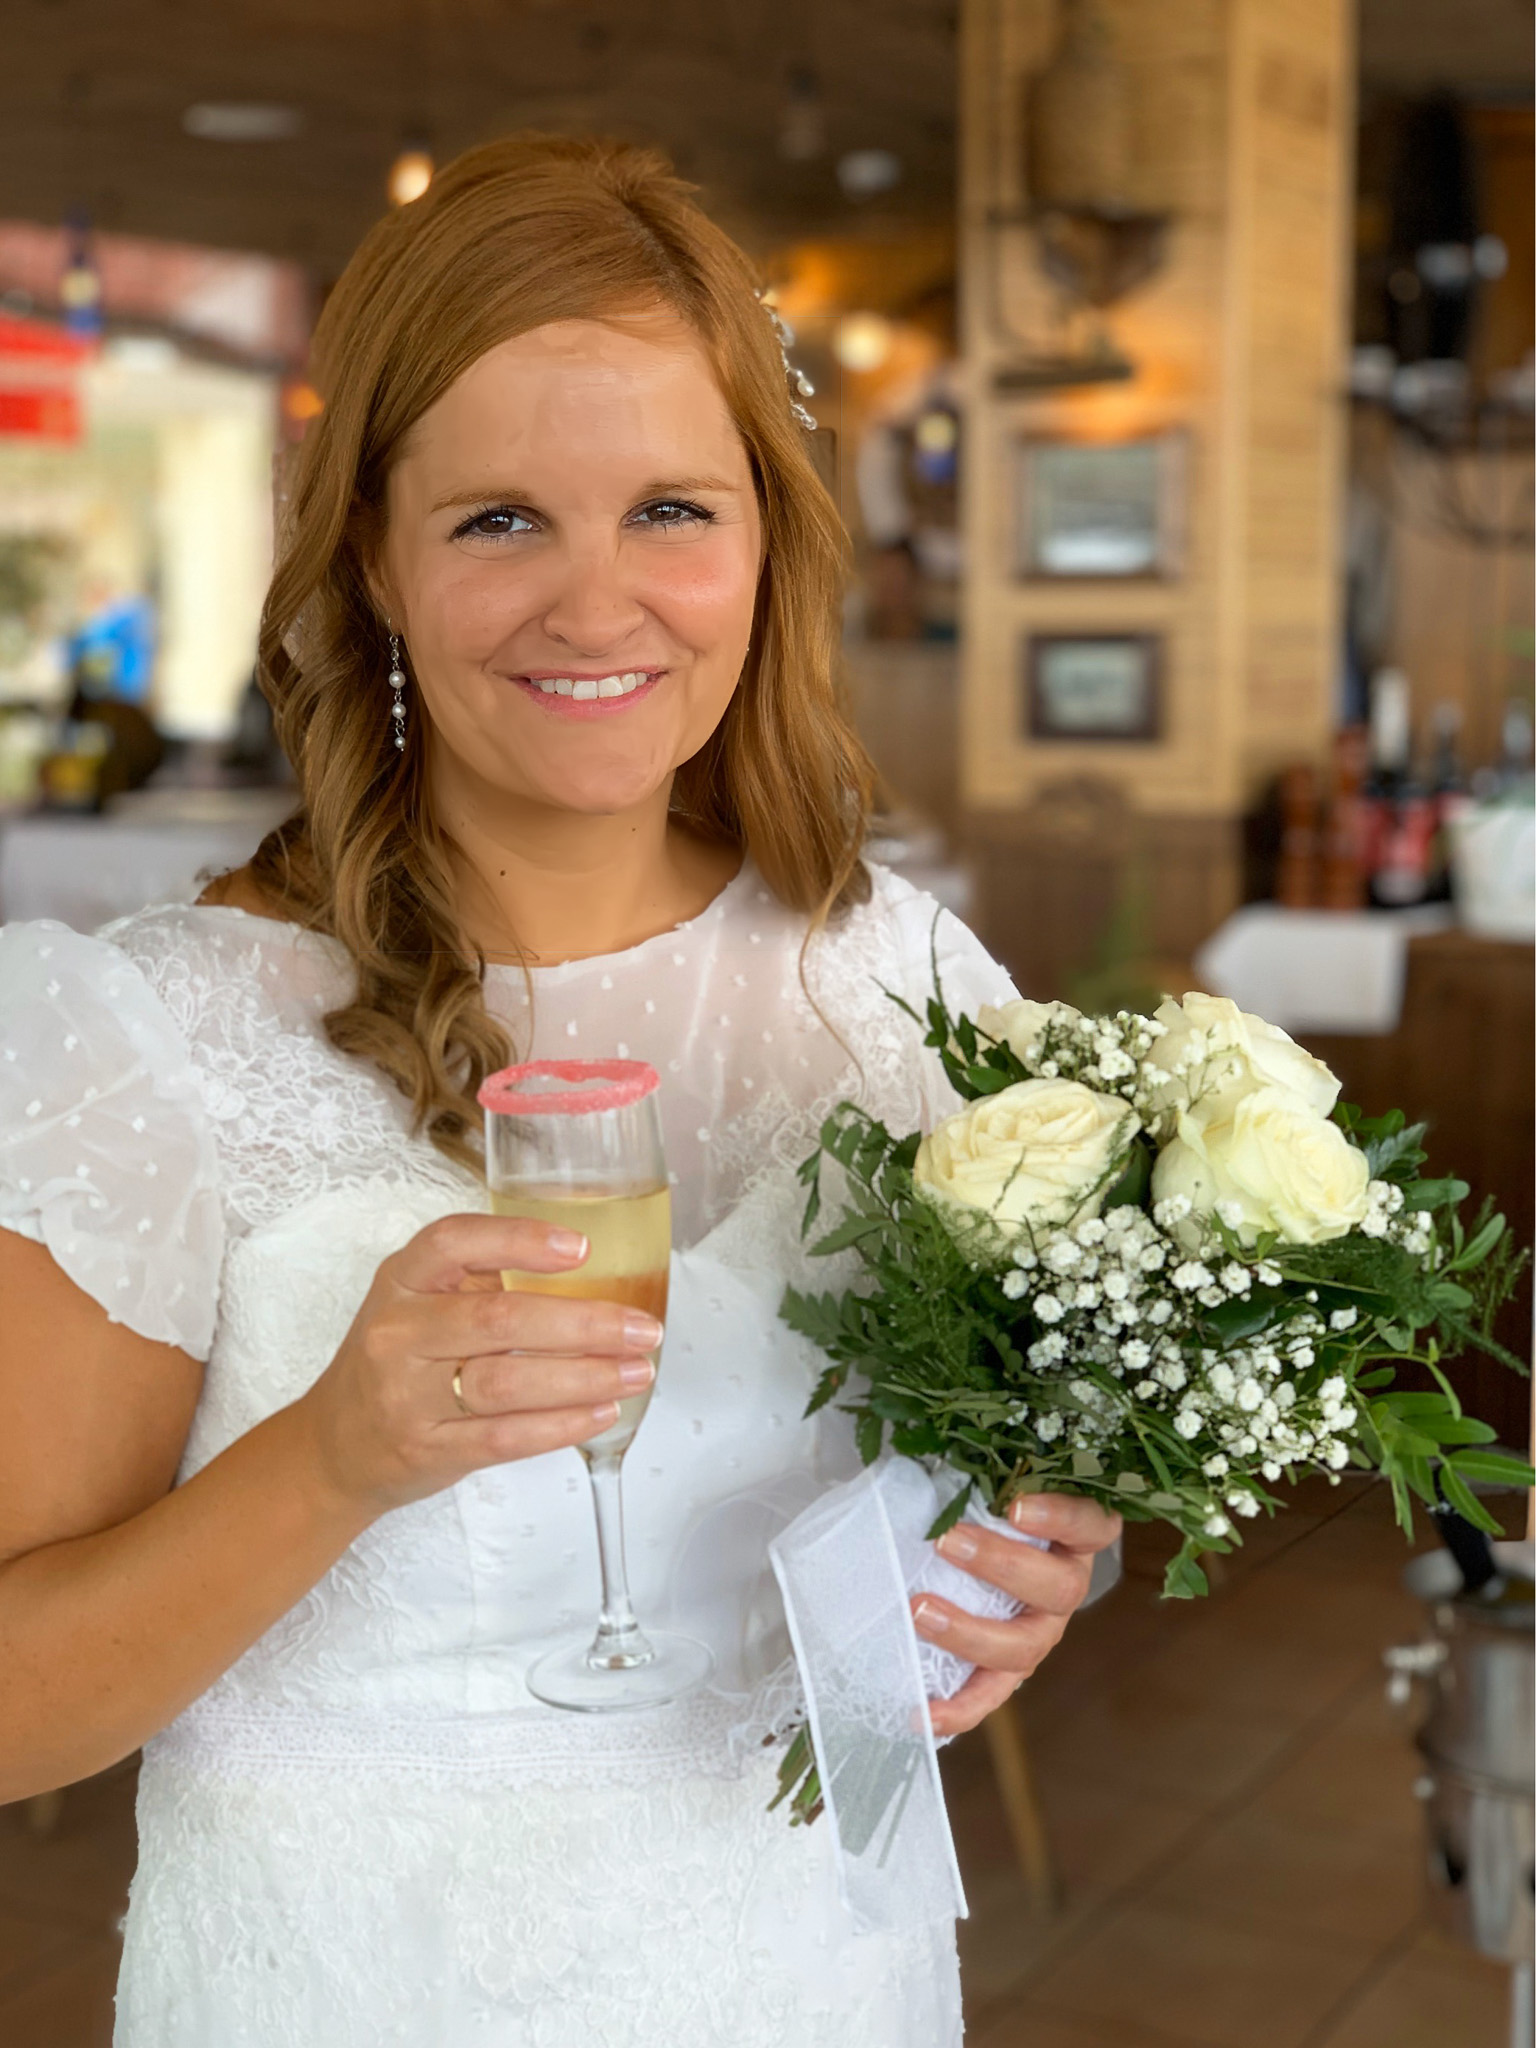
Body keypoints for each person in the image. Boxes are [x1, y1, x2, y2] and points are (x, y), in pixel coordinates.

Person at [0, 137, 1119, 2045]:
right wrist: (332, 1460)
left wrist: (1037, 1555)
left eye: (673, 508)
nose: (599, 606)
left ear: (768, 540)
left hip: (818, 1977)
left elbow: (993, 1466)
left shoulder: (900, 983)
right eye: (501, 519)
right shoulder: (156, 1037)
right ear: (373, 556)